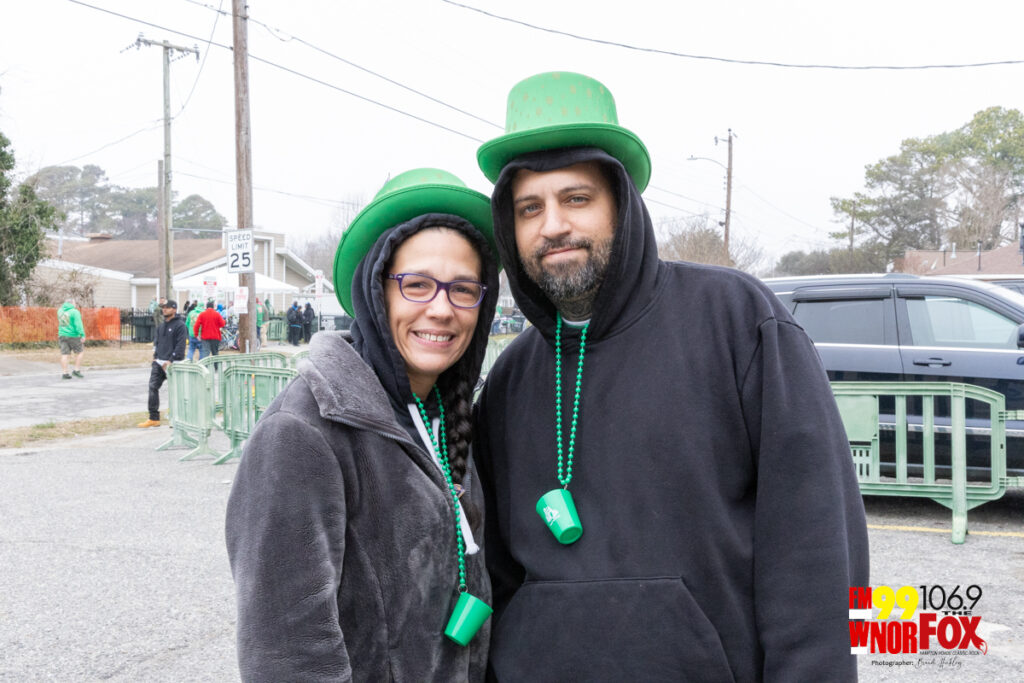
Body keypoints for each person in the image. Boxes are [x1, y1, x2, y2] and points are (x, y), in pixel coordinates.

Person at [472, 72, 870, 682]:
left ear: (622, 205)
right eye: (530, 208)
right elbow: (496, 574)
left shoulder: (738, 321)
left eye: (576, 199)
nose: (552, 225)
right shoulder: (509, 379)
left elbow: (818, 550)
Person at [226, 168, 500, 680]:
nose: (442, 309)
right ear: (377, 292)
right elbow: (287, 657)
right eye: (417, 285)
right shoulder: (302, 432)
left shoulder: (448, 413)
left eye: (463, 289)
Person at [137, 299, 186, 428]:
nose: (164, 309)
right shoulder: (161, 326)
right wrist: (155, 357)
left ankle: (177, 418)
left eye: (167, 307)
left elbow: (180, 346)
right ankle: (154, 418)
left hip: (173, 364)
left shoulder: (180, 325)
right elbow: (157, 342)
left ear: (174, 309)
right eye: (163, 307)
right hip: (159, 362)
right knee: (152, 387)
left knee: (176, 392)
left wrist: (171, 360)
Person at [57, 298, 85, 379]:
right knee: (80, 352)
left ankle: (65, 373)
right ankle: (76, 370)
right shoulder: (74, 312)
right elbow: (78, 324)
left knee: (64, 354)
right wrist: (82, 334)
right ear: (72, 303)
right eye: (75, 303)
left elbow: (63, 323)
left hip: (62, 335)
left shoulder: (60, 311)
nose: (75, 305)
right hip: (73, 335)